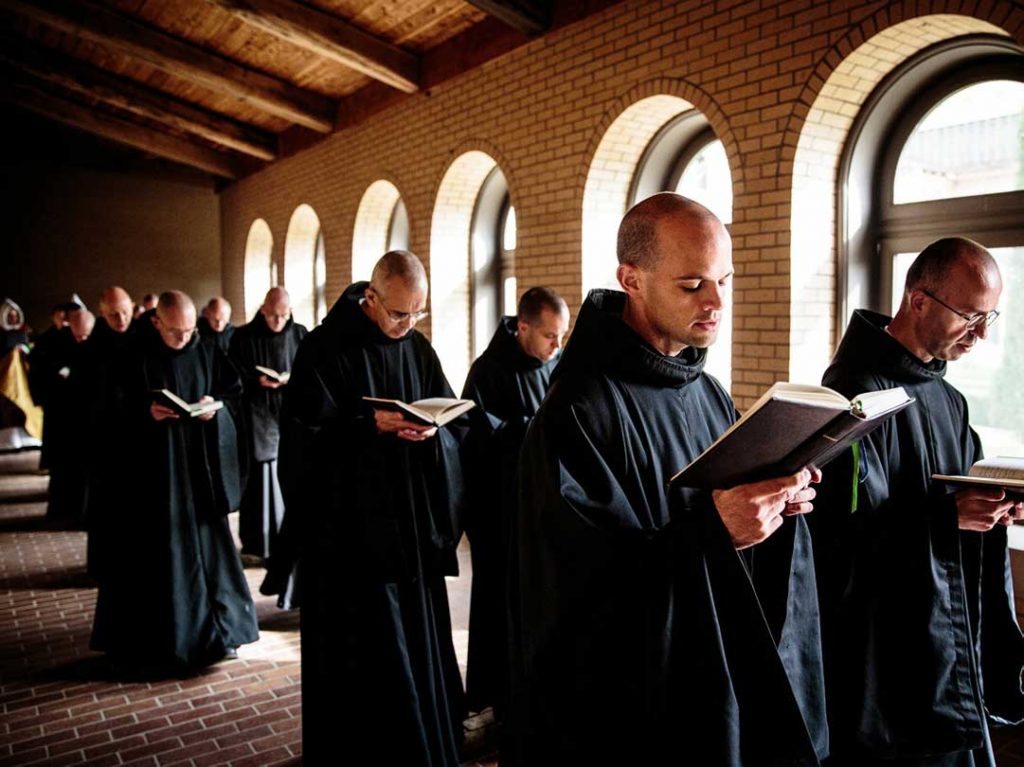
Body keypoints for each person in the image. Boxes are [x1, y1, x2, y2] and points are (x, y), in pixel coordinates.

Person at [507, 193, 828, 766]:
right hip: (631, 710)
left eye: (724, 282)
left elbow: (729, 524)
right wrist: (714, 531)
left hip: (709, 677)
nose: (715, 302)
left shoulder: (706, 391)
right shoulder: (576, 410)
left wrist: (777, 501)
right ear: (631, 278)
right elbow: (576, 591)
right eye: (691, 285)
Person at [811, 237, 1024, 767]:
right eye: (970, 316)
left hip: (947, 644)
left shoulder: (949, 399)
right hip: (883, 661)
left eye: (990, 316)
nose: (982, 334)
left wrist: (1000, 507)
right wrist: (946, 517)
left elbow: (962, 490)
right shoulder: (853, 394)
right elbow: (833, 538)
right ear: (918, 300)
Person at [277, 250, 466, 764]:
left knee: (417, 642)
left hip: (410, 527)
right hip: (351, 539)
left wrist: (435, 429)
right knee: (369, 654)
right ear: (371, 297)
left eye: (418, 313)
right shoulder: (323, 349)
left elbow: (448, 411)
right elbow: (301, 443)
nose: (408, 324)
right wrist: (370, 426)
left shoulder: (418, 347)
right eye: (399, 313)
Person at [90, 290, 257, 669]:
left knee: (208, 550)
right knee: (153, 554)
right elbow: (109, 407)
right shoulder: (132, 354)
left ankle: (220, 634)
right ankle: (155, 640)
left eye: (188, 330)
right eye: (175, 332)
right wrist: (144, 411)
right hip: (152, 475)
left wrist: (212, 407)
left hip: (199, 471)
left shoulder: (206, 347)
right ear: (156, 323)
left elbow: (231, 391)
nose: (184, 338)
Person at [460, 286, 568, 721]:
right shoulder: (487, 371)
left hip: (544, 513)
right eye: (549, 336)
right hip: (499, 514)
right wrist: (528, 432)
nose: (557, 346)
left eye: (562, 336)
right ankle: (494, 699)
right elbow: (473, 436)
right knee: (497, 607)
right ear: (522, 327)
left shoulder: (559, 363)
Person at [228, 287, 306, 577]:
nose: (278, 321)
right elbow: (231, 375)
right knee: (262, 478)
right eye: (273, 315)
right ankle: (259, 542)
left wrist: (290, 380)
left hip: (289, 412)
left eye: (283, 315)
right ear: (263, 310)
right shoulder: (243, 337)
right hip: (256, 415)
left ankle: (286, 542)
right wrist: (254, 380)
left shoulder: (299, 334)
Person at [34, 307, 95, 527]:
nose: (81, 340)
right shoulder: (56, 343)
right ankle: (62, 514)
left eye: (86, 336)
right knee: (64, 472)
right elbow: (43, 373)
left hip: (87, 420)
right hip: (62, 418)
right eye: (77, 335)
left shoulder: (97, 347)